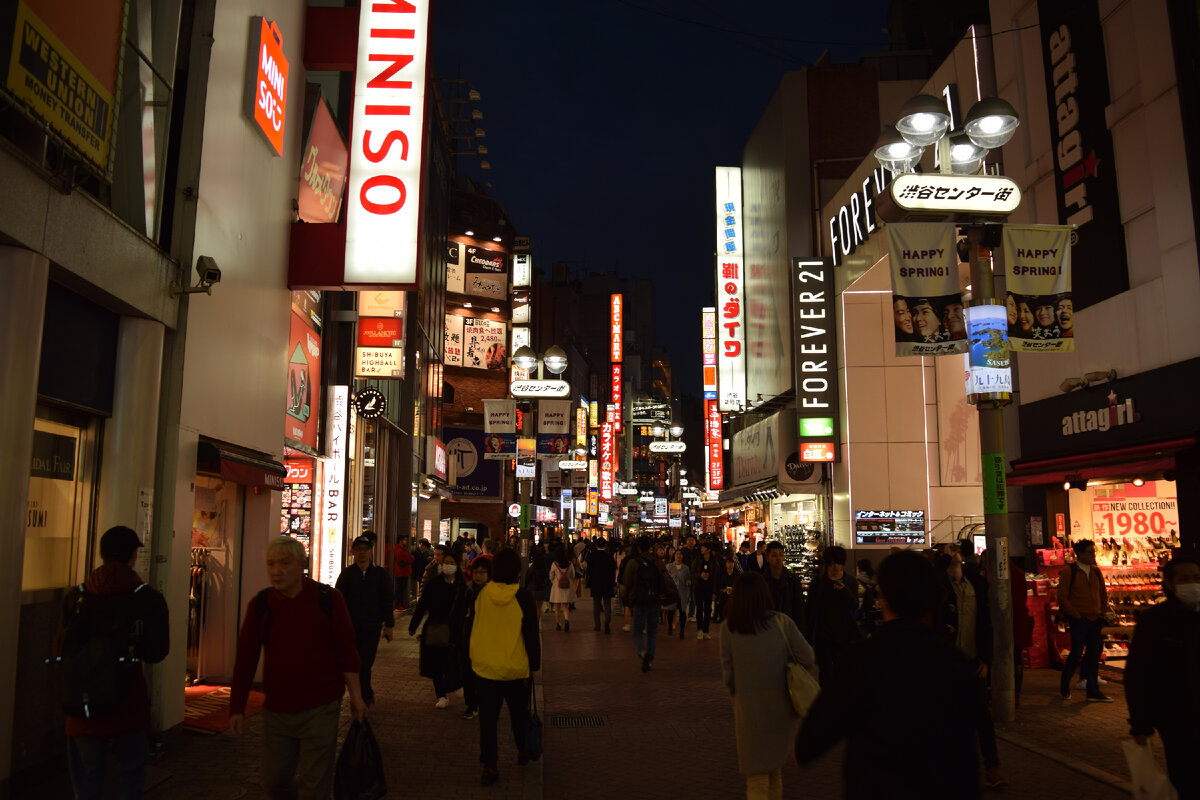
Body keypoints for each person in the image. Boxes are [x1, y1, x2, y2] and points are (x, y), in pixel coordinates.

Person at [795, 551, 982, 798]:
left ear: (883, 596)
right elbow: (968, 756)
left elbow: (810, 742)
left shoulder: (861, 659)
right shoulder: (953, 661)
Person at [228, 536, 365, 800]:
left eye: (284, 563)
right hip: (277, 710)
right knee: (274, 779)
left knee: (315, 783)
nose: (276, 570)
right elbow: (246, 658)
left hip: (321, 706)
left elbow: (347, 652)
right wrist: (237, 707)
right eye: (271, 564)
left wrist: (357, 697)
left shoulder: (329, 599)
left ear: (302, 564)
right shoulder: (261, 605)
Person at [58, 526, 170, 800]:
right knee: (130, 778)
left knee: (87, 783)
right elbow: (157, 652)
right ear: (133, 555)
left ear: (101, 553)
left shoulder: (76, 597)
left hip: (82, 709)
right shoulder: (148, 598)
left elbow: (60, 649)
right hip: (128, 708)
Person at [722, 572, 814, 800]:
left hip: (748, 708)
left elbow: (728, 675)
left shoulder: (729, 628)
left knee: (757, 775)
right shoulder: (782, 622)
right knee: (774, 769)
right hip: (781, 705)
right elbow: (808, 657)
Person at [1125, 555, 1200, 797]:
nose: (1192, 584)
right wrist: (1140, 722)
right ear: (1169, 583)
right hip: (1177, 715)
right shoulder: (1155, 620)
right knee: (1186, 777)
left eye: (1197, 578)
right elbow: (1139, 672)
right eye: (1185, 579)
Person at [470, 549, 541, 786]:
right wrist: (535, 664)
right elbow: (531, 634)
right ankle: (522, 750)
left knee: (488, 722)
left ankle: (490, 766)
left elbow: (470, 628)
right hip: (515, 668)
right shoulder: (523, 597)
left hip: (485, 669)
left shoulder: (480, 594)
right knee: (519, 715)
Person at [937, 550, 1004, 788]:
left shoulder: (976, 584)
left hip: (974, 662)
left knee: (982, 718)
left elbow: (987, 623)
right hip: (947, 665)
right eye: (949, 556)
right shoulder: (940, 588)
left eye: (957, 554)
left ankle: (992, 767)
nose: (954, 557)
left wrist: (986, 659)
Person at [335, 535, 394, 707]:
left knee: (366, 663)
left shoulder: (379, 574)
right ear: (353, 552)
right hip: (350, 628)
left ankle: (364, 694)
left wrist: (389, 625)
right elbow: (339, 600)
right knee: (354, 663)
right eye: (358, 549)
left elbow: (386, 599)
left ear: (370, 551)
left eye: (365, 549)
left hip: (371, 628)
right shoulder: (347, 574)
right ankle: (363, 695)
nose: (362, 553)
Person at [408, 552, 468, 708]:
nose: (447, 565)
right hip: (434, 628)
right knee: (435, 664)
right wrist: (413, 625)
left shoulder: (461, 587)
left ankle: (454, 684)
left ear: (456, 566)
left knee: (451, 661)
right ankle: (441, 695)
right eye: (445, 562)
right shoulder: (435, 584)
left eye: (451, 562)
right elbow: (422, 606)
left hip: (453, 630)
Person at [1056, 539, 1114, 702]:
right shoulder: (1070, 571)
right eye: (1090, 552)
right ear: (1080, 554)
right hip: (1079, 619)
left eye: (1093, 552)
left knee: (1094, 654)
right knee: (1075, 653)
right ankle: (1065, 684)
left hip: (1096, 618)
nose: (1093, 555)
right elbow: (1062, 597)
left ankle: (1092, 690)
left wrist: (1102, 612)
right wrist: (1075, 615)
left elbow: (1103, 594)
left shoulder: (1096, 571)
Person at [805, 546, 862, 685]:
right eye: (832, 563)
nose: (835, 566)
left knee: (844, 673)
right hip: (823, 636)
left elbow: (854, 605)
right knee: (824, 673)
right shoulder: (818, 583)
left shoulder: (850, 582)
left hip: (845, 636)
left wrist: (844, 591)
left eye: (838, 562)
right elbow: (810, 610)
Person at [623, 535, 668, 672]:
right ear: (650, 547)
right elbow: (664, 581)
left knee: (637, 631)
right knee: (652, 633)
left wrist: (627, 600)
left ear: (637, 547)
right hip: (654, 601)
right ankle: (650, 659)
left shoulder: (633, 563)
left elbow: (626, 583)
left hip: (639, 601)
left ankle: (642, 652)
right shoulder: (658, 563)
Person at [460, 556, 491, 720]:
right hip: (468, 637)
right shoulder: (468, 590)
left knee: (483, 674)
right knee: (468, 672)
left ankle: (481, 703)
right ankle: (471, 704)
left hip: (486, 639)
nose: (478, 576)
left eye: (482, 573)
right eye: (476, 572)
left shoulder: (492, 593)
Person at [762, 542, 805, 631]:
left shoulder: (792, 580)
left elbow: (799, 608)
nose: (778, 558)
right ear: (767, 558)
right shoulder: (762, 581)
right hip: (768, 628)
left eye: (781, 555)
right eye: (774, 555)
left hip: (788, 627)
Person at [691, 540, 721, 639]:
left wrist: (715, 592)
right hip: (699, 588)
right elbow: (692, 573)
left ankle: (706, 631)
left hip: (709, 588)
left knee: (708, 610)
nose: (701, 549)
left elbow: (716, 578)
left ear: (708, 550)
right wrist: (700, 575)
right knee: (699, 609)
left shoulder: (714, 562)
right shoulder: (697, 560)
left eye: (703, 548)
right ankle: (699, 630)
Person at [586, 538, 617, 633]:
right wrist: (613, 583)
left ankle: (597, 625)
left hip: (595, 583)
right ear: (605, 546)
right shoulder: (609, 556)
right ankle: (607, 622)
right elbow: (613, 571)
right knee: (607, 604)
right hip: (607, 583)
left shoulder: (592, 556)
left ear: (596, 545)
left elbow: (589, 571)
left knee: (596, 605)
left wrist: (589, 582)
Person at [666, 548, 692, 638]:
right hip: (672, 592)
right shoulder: (669, 566)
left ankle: (682, 630)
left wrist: (688, 582)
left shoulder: (686, 568)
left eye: (680, 554)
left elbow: (689, 579)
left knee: (682, 612)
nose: (678, 556)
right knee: (671, 611)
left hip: (682, 592)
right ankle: (670, 627)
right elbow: (666, 579)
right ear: (674, 555)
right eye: (677, 554)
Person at [548, 550, 574, 632]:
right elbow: (573, 575)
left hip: (557, 586)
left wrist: (554, 581)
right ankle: (566, 620)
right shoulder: (570, 564)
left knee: (557, 607)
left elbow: (551, 576)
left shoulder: (554, 564)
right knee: (565, 606)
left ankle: (558, 624)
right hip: (567, 586)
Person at [524, 543, 549, 618]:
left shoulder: (532, 568)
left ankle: (534, 623)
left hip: (532, 590)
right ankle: (538, 623)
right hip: (541, 589)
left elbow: (527, 578)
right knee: (539, 608)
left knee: (532, 607)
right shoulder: (544, 569)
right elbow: (546, 577)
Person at [391, 536, 414, 610]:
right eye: (405, 540)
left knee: (402, 589)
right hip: (401, 572)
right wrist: (411, 558)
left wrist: (410, 558)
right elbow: (409, 559)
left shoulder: (403, 549)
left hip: (404, 572)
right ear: (400, 541)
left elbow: (408, 558)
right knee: (400, 589)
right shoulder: (399, 550)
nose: (406, 541)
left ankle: (401, 604)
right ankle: (398, 604)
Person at [715, 555, 739, 622]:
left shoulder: (737, 574)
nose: (730, 564)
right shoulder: (722, 574)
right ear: (725, 564)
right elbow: (718, 585)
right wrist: (723, 590)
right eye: (728, 562)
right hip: (723, 594)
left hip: (733, 595)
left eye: (732, 562)